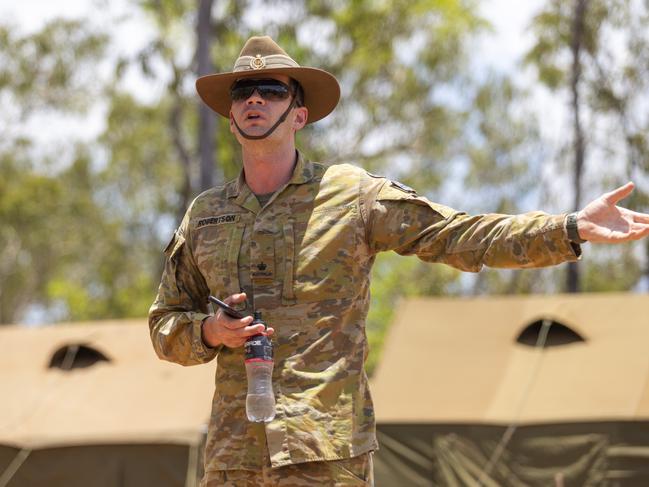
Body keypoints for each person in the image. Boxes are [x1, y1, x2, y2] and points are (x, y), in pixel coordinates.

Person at [148, 36, 649, 486]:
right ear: (231, 116)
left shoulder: (351, 197)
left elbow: (459, 235)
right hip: (233, 462)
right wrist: (212, 332)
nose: (254, 99)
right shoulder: (206, 215)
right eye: (243, 91)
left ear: (299, 115)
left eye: (272, 90)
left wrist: (568, 227)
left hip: (326, 458)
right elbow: (164, 324)